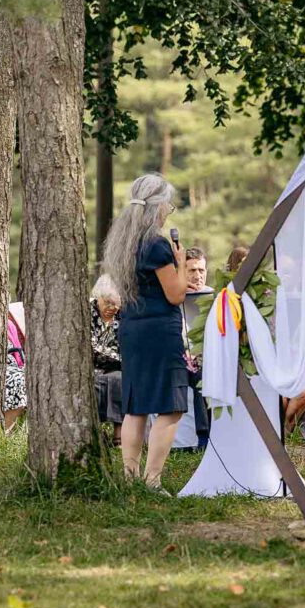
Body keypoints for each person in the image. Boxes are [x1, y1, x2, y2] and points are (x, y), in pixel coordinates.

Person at [100, 173, 189, 490]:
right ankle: (152, 480)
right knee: (171, 406)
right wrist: (180, 264)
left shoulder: (123, 242)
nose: (169, 212)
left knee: (135, 407)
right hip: (159, 332)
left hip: (132, 330)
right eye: (169, 205)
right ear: (159, 206)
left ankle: (129, 478)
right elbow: (176, 295)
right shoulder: (157, 245)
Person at [90, 275, 124, 443]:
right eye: (108, 302)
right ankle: (95, 433)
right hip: (89, 366)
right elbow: (90, 346)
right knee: (92, 381)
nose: (112, 307)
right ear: (98, 298)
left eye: (116, 303)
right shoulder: (86, 312)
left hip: (117, 368)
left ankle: (119, 436)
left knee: (118, 380)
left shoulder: (124, 316)